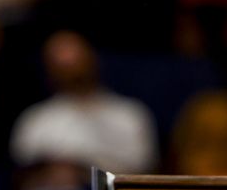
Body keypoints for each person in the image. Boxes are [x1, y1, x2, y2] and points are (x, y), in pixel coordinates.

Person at [8, 31, 157, 173]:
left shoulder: (129, 115)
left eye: (75, 57)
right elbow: (24, 174)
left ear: (92, 58)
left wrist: (83, 171)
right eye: (60, 61)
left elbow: (143, 168)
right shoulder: (35, 120)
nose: (69, 65)